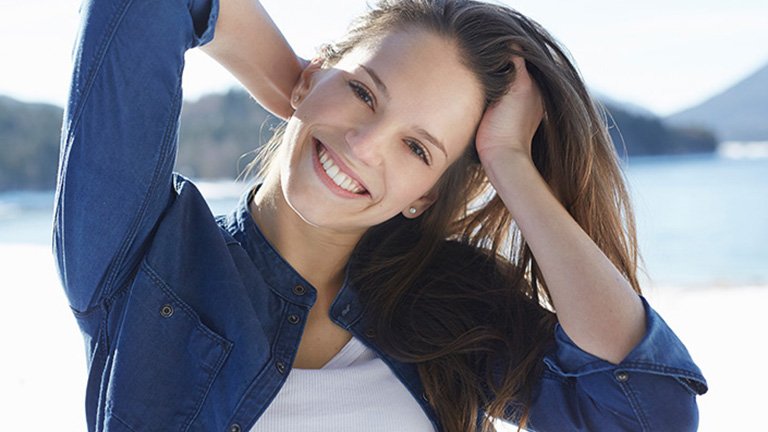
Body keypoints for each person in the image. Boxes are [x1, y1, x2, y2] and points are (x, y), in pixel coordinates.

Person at [53, 0, 707, 431]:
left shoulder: (444, 315)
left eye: (417, 148)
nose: (365, 145)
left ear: (425, 196)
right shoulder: (143, 262)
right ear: (316, 74)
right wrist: (298, 88)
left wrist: (508, 161)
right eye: (364, 92)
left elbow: (646, 412)